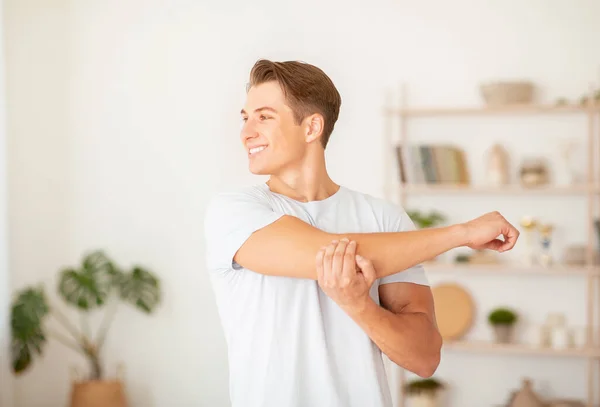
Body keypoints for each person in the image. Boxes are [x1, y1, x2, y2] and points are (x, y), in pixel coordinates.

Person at [203, 59, 520, 407]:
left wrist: (360, 306)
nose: (246, 132)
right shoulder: (234, 211)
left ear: (311, 128)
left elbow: (425, 358)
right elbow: (326, 254)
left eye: (264, 116)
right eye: (245, 117)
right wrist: (462, 233)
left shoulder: (384, 218)